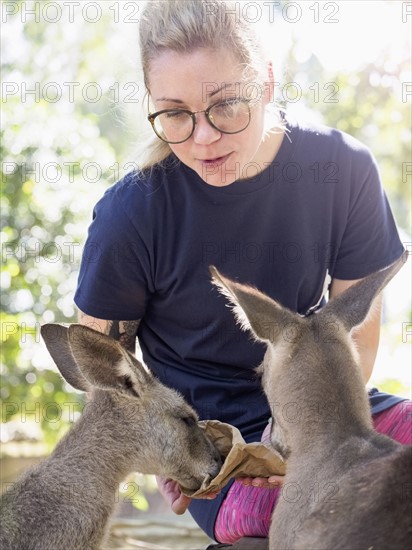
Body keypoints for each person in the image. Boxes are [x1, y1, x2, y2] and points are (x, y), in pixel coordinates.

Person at [74, 0, 411, 544]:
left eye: (226, 104)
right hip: (215, 447)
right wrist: (169, 451)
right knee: (271, 525)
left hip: (325, 416)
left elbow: (359, 346)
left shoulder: (342, 170)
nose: (203, 137)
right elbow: (104, 379)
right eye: (175, 112)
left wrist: (301, 445)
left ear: (268, 83)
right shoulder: (131, 214)